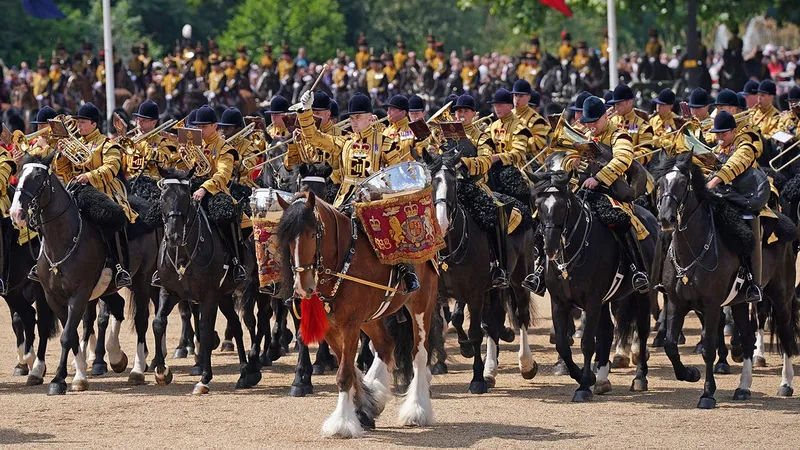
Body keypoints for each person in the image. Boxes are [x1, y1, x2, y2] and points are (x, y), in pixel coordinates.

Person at [295, 91, 419, 292]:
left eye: (358, 117)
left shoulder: (386, 143)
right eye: (351, 118)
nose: (353, 122)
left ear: (370, 118)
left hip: (375, 201)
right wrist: (305, 112)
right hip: (344, 200)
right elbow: (314, 137)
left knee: (392, 230)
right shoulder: (346, 143)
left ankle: (407, 271)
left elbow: (401, 173)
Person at [53, 103, 136, 288]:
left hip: (104, 191)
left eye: (82, 122)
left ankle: (121, 266)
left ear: (94, 124)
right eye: (78, 122)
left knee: (113, 218)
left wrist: (89, 176)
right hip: (76, 190)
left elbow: (112, 167)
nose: (79, 126)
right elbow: (63, 170)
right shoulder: (74, 144)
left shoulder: (107, 144)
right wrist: (60, 155)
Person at [578, 96, 649, 292]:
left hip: (612, 193)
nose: (591, 125)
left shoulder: (620, 136)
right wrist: (573, 163)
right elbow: (572, 159)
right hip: (584, 191)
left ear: (604, 117)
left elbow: (623, 160)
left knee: (620, 220)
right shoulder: (586, 136)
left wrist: (598, 179)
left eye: (594, 121)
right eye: (588, 122)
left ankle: (638, 270)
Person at [706, 111, 762, 302]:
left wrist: (713, 183)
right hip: (724, 197)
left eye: (723, 133)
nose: (719, 137)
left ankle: (755, 283)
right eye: (717, 133)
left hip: (747, 198)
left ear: (734, 131)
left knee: (747, 226)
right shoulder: (717, 149)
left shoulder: (745, 146)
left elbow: (734, 165)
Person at [190, 105, 246, 282]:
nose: (200, 130)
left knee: (225, 216)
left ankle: (237, 262)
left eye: (204, 126)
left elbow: (223, 175)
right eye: (197, 127)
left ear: (215, 126)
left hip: (215, 191)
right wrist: (181, 156)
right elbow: (184, 169)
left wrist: (205, 188)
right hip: (193, 188)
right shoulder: (194, 144)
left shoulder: (224, 148)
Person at [125, 100, 177, 179]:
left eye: (144, 120)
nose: (139, 123)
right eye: (138, 119)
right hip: (131, 185)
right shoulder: (131, 141)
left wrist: (144, 143)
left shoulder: (164, 142)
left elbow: (163, 163)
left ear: (154, 122)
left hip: (153, 186)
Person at [607, 83, 656, 164]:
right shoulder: (611, 121)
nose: (616, 107)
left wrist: (626, 156)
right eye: (615, 104)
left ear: (630, 102)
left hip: (633, 171)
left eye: (619, 104)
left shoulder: (642, 125)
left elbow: (647, 153)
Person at [510, 79, 551, 165]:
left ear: (528, 97)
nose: (517, 99)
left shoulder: (536, 118)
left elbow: (538, 143)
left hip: (529, 162)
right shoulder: (509, 114)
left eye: (520, 96)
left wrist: (515, 142)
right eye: (515, 95)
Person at [217, 107, 259, 188]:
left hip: (240, 186)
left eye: (227, 127)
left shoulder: (250, 146)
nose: (223, 129)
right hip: (218, 183)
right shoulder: (219, 142)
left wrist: (233, 154)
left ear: (238, 128)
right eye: (222, 126)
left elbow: (248, 169)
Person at [649, 88, 680, 153]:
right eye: (657, 103)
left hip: (668, 156)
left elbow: (673, 144)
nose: (658, 106)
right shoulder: (653, 119)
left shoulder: (676, 121)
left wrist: (656, 140)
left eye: (662, 105)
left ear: (671, 106)